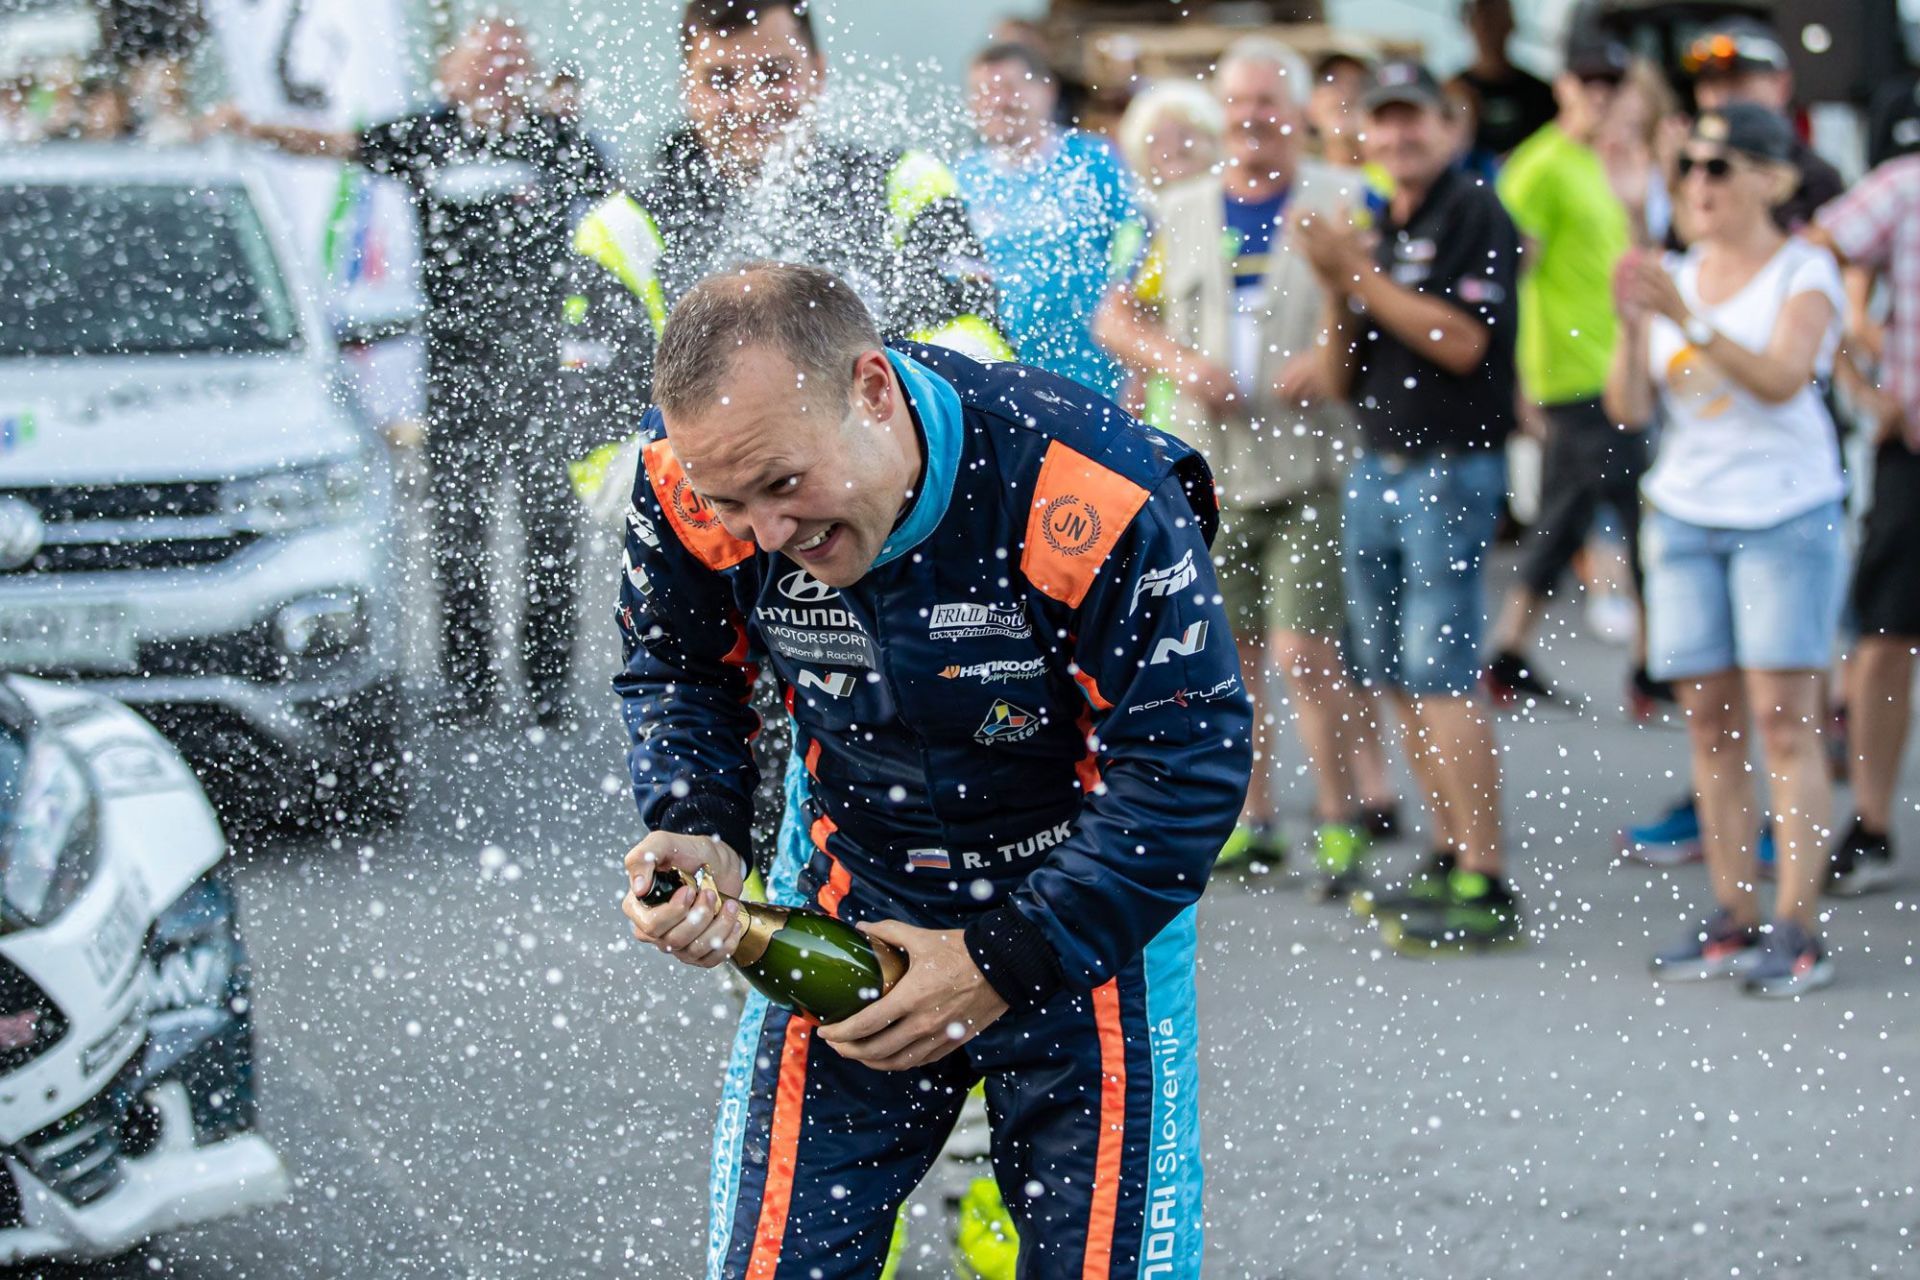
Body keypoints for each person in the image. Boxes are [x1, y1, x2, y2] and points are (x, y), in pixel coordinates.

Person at [617, 262, 1249, 1280]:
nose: (766, 535)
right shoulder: (687, 475)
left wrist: (1002, 957)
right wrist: (696, 816)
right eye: (732, 502)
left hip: (1083, 918)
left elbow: (1187, 767)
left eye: (785, 486)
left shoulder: (1090, 483)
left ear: (873, 390)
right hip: (851, 901)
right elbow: (677, 664)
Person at [208, 17, 615, 727]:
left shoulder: (558, 141)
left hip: (541, 373)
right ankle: (470, 687)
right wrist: (254, 128)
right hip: (457, 372)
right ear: (451, 72)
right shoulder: (429, 134)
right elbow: (333, 144)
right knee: (460, 535)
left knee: (550, 532)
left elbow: (619, 211)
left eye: (509, 57)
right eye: (481, 58)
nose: (495, 71)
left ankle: (547, 686)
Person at [1096, 37, 1398, 886]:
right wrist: (1182, 365)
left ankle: (1338, 820)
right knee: (1233, 661)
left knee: (1307, 656)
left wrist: (1332, 352)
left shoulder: (1350, 200)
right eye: (1238, 102)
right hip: (1213, 473)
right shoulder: (1173, 210)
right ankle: (1251, 819)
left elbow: (1385, 304)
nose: (1253, 118)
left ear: (1298, 113)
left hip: (1313, 468)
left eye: (1268, 101)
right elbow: (1115, 320)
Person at [559, 0, 1006, 519]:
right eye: (722, 80)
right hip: (723, 556)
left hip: (900, 532)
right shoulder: (623, 228)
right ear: (688, 88)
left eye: (775, 74)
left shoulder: (905, 184)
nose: (751, 103)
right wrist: (761, 493)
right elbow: (602, 463)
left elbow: (979, 368)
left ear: (818, 72)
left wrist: (832, 473)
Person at [1608, 104, 1848, 996]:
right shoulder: (1672, 273)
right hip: (1684, 515)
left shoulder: (1804, 270)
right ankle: (1733, 912)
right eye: (1690, 167)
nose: (1698, 184)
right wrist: (1633, 324)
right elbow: (1630, 407)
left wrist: (1689, 318)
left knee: (1785, 722)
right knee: (1709, 723)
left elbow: (1784, 379)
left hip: (1785, 514)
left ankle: (1798, 925)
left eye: (1719, 166)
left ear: (1772, 179)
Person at [1299, 59, 1523, 949]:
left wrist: (1354, 274)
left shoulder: (1474, 211)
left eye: (1414, 119)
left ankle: (1486, 880)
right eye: (1384, 121)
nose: (1399, 136)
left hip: (1448, 469)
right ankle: (1450, 848)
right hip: (1377, 465)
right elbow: (1338, 377)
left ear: (1449, 126)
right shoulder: (1382, 222)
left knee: (1440, 674)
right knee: (1392, 674)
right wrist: (1335, 284)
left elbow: (1462, 343)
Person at [1484, 30, 1645, 710]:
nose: (1600, 95)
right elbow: (1508, 274)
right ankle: (1651, 667)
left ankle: (1509, 652)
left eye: (1612, 83)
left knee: (1569, 519)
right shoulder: (1540, 165)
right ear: (1563, 86)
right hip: (1570, 371)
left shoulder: (1607, 160)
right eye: (1588, 82)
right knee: (1630, 516)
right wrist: (1516, 375)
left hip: (1618, 365)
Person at [1810, 154, 1920, 896]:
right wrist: (1854, 360)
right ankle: (1873, 823)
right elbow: (1808, 257)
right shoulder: (1905, 187)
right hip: (1909, 448)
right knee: (1883, 639)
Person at [958, 41, 1140, 401]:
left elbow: (1136, 246)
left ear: (1047, 90)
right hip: (1005, 386)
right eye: (983, 91)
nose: (997, 101)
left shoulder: (1094, 161)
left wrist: (1135, 351)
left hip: (1095, 380)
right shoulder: (963, 177)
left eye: (1009, 87)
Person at [1682, 17, 1843, 235]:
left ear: (1781, 84)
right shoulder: (1690, 172)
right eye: (1709, 84)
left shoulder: (1817, 181)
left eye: (1735, 82)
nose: (1721, 99)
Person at [1448, 0, 1556, 173]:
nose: (1491, 29)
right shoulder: (1451, 93)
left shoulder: (1543, 95)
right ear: (1469, 25)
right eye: (1484, 20)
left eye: (1497, 18)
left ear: (1511, 24)